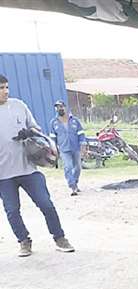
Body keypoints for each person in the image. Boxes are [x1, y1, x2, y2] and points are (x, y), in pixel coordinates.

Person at [0, 74, 74, 257]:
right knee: (12, 211)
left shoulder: (18, 105)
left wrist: (29, 132)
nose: (5, 91)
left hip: (28, 169)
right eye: (1, 88)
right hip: (3, 175)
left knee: (46, 204)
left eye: (6, 87)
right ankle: (24, 241)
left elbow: (37, 129)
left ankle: (59, 238)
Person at [49, 100, 86, 196]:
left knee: (78, 167)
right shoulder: (54, 122)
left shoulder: (75, 120)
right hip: (63, 149)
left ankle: (75, 182)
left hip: (75, 147)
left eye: (61, 106)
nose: (59, 109)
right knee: (68, 166)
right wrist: (54, 149)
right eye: (57, 107)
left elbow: (81, 134)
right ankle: (72, 186)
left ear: (65, 107)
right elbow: (53, 137)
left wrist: (83, 146)